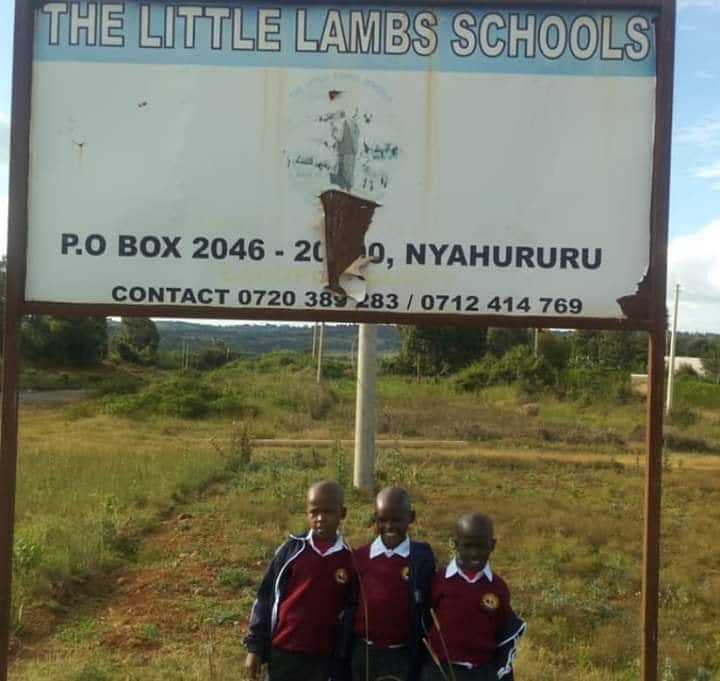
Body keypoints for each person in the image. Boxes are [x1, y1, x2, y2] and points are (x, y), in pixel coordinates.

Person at [244, 480, 355, 681]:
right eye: (314, 512)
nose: (320, 518)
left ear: (343, 513)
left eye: (328, 512)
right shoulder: (291, 551)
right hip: (284, 651)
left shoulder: (349, 560)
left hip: (323, 657)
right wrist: (255, 648)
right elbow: (265, 598)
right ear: (307, 513)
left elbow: (351, 610)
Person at [422, 513, 525, 681]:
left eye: (481, 546)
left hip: (481, 672)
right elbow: (424, 620)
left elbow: (503, 631)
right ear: (456, 545)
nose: (474, 553)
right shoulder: (439, 581)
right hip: (441, 670)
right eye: (467, 546)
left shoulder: (498, 587)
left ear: (492, 545)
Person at [349, 486, 436, 681]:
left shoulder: (421, 558)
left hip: (402, 654)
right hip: (364, 652)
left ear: (411, 517)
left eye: (396, 519)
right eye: (382, 519)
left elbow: (426, 603)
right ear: (375, 518)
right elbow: (350, 604)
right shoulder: (360, 557)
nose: (389, 526)